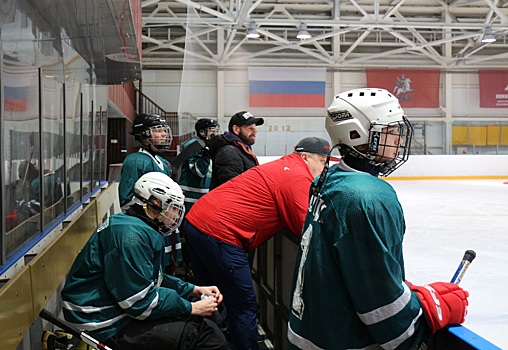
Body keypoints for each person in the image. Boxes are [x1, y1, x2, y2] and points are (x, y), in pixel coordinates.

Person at [287, 88, 469, 349]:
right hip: (343, 342)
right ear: (357, 134)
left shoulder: (329, 179)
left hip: (310, 333)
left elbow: (354, 265)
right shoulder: (367, 197)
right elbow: (389, 320)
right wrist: (423, 314)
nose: (398, 138)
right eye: (390, 130)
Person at [182, 137, 331, 350]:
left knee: (211, 294)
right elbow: (307, 230)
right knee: (242, 303)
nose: (325, 168)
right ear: (305, 157)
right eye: (323, 161)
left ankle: (212, 342)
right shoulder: (297, 176)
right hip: (220, 232)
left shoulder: (282, 167)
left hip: (197, 222)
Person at [61, 172, 228, 350]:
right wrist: (190, 308)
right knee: (205, 335)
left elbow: (153, 279)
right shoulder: (130, 237)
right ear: (155, 204)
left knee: (213, 317)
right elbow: (139, 303)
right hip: (101, 321)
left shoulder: (134, 226)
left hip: (114, 310)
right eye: (173, 207)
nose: (177, 214)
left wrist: (193, 290)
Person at [118, 113, 182, 272]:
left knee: (167, 268)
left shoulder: (163, 163)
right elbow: (126, 201)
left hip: (164, 225)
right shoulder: (136, 161)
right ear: (144, 135)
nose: (164, 134)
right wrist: (154, 214)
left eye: (164, 130)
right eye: (158, 130)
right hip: (150, 227)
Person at [207, 111, 263, 190]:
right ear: (236, 129)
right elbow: (234, 189)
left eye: (255, 128)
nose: (255, 132)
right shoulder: (228, 152)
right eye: (250, 128)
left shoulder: (241, 148)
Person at [179, 118, 220, 212]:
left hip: (204, 196)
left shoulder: (210, 145)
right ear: (201, 132)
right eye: (212, 131)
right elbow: (199, 172)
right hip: (190, 197)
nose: (215, 134)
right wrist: (207, 153)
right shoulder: (194, 145)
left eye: (216, 131)